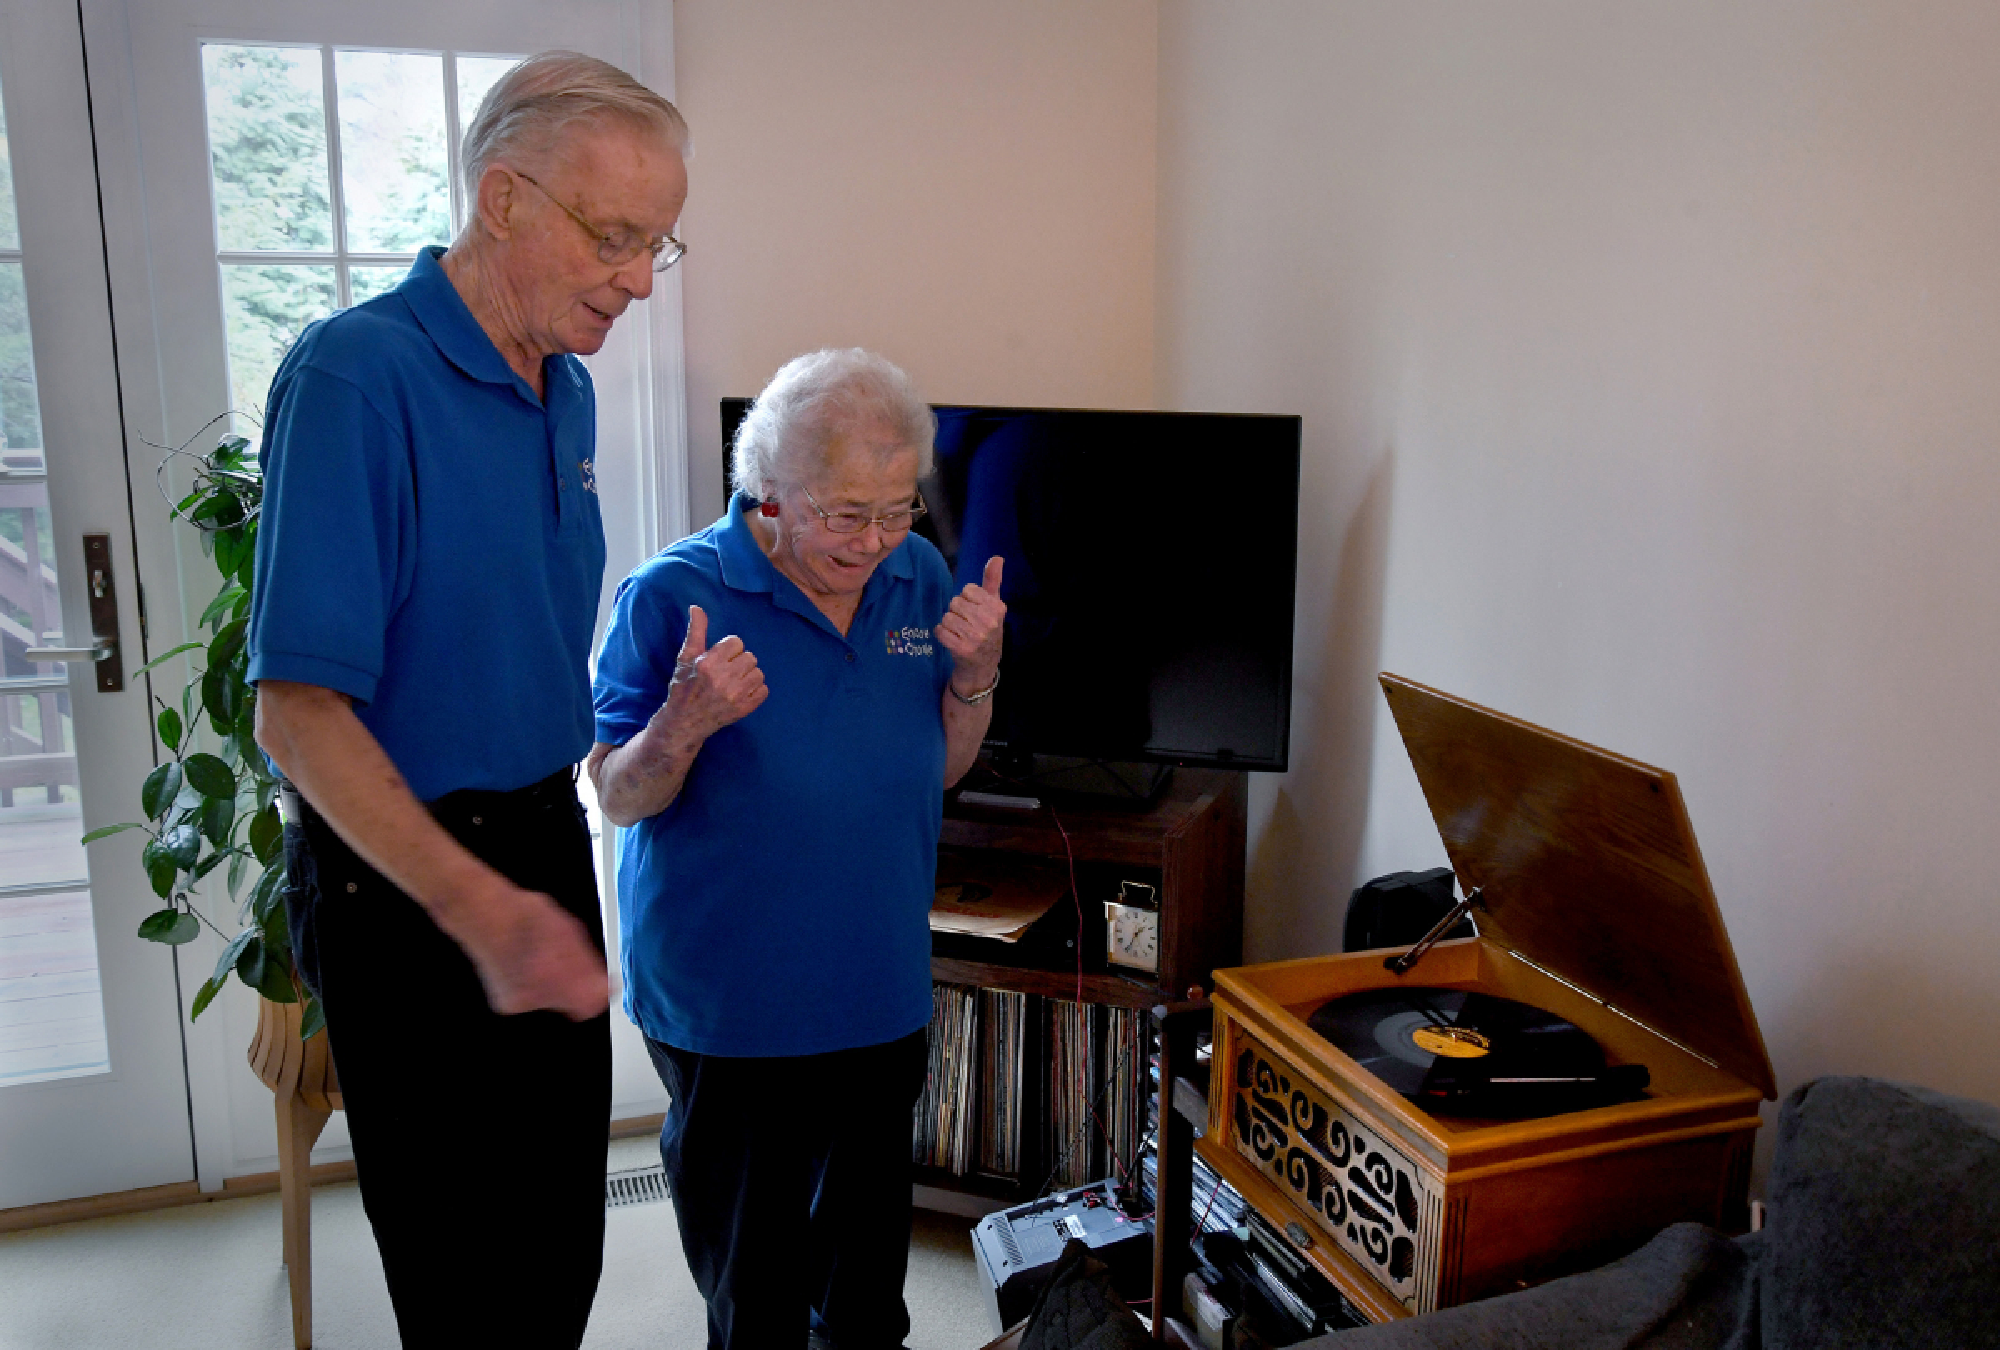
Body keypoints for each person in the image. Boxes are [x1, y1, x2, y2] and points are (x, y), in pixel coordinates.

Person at [247, 52, 688, 1349]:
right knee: (465, 1288)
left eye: (663, 244)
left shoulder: (568, 387)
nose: (641, 280)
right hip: (409, 881)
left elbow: (528, 634)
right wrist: (480, 907)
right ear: (504, 200)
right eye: (617, 237)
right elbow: (297, 713)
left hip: (542, 841)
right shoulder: (355, 378)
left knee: (558, 1256)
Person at [589, 348, 1006, 1350]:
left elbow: (937, 769)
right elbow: (616, 794)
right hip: (731, 1007)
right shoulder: (670, 595)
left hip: (876, 990)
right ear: (765, 495)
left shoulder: (917, 572)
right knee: (757, 1295)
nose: (873, 541)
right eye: (842, 512)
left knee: (867, 1297)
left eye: (895, 507)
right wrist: (681, 724)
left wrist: (976, 677)